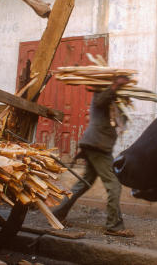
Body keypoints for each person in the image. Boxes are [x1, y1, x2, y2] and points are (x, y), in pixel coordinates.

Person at [53, 76, 134, 237]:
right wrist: (115, 85)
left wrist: (123, 97)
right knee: (114, 184)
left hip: (98, 146)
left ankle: (58, 214)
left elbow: (120, 121)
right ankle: (114, 226)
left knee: (83, 183)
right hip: (97, 146)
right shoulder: (101, 95)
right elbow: (100, 102)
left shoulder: (114, 103)